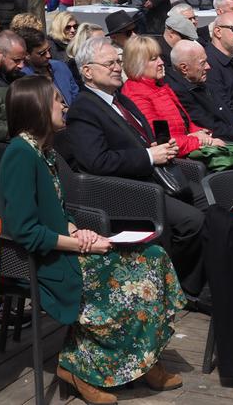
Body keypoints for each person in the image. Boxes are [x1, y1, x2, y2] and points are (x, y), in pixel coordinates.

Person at [0, 75, 186, 404]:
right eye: (57, 99)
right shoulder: (20, 154)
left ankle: (143, 360)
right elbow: (25, 230)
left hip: (65, 247)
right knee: (131, 277)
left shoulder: (44, 152)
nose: (65, 104)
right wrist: (82, 244)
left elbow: (55, 211)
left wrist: (76, 230)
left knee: (152, 257)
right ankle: (80, 367)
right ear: (38, 107)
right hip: (45, 260)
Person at [56, 37, 207, 297]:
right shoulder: (85, 109)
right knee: (193, 221)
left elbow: (138, 140)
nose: (117, 68)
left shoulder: (120, 100)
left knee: (208, 201)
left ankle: (209, 273)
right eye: (109, 64)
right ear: (87, 71)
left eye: (118, 62)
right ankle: (185, 286)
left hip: (152, 177)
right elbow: (96, 162)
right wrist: (149, 156)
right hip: (127, 191)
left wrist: (161, 148)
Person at [120, 35, 233, 171]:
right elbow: (162, 141)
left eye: (160, 57)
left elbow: (187, 121)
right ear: (137, 64)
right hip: (178, 162)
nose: (161, 62)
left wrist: (202, 133)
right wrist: (200, 140)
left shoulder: (160, 86)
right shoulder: (136, 94)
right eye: (153, 59)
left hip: (188, 147)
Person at [165, 40, 233, 146]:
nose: (208, 67)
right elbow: (210, 126)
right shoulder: (180, 92)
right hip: (222, 141)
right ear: (184, 68)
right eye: (202, 63)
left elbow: (224, 105)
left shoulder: (197, 78)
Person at [19, 27, 80, 105]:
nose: (48, 55)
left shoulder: (60, 66)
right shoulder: (24, 78)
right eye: (42, 53)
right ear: (27, 55)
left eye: (49, 50)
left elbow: (76, 95)